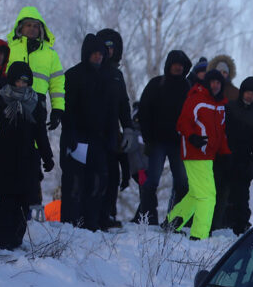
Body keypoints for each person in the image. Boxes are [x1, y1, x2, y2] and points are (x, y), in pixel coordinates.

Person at [60, 33, 125, 231]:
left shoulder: (108, 77)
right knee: (75, 184)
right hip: (77, 139)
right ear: (87, 53)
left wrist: (112, 136)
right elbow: (67, 108)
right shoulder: (73, 76)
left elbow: (113, 110)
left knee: (98, 182)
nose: (98, 57)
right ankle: (71, 223)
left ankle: (92, 222)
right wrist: (70, 134)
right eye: (95, 53)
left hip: (99, 140)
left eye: (101, 54)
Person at [0, 62, 53, 250]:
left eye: (25, 81)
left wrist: (47, 157)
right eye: (18, 81)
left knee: (24, 200)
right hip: (5, 157)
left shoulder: (35, 101)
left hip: (27, 158)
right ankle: (4, 239)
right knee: (7, 200)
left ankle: (17, 237)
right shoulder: (1, 99)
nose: (21, 85)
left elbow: (40, 132)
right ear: (12, 81)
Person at [165, 68, 229, 240]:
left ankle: (172, 223)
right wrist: (192, 137)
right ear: (207, 83)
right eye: (212, 82)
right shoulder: (197, 99)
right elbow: (182, 123)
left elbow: (221, 132)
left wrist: (225, 153)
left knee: (196, 193)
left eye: (218, 82)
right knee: (208, 195)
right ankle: (199, 235)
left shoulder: (220, 105)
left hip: (208, 155)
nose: (215, 85)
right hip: (195, 152)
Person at [134, 49, 192, 225]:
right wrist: (148, 138)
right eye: (175, 64)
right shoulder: (156, 84)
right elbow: (144, 111)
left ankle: (175, 219)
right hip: (157, 142)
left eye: (181, 65)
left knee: (182, 183)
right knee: (151, 181)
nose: (178, 68)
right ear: (169, 65)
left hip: (178, 143)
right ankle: (148, 218)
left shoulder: (187, 88)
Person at [215, 75, 253, 234]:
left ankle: (241, 231)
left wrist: (252, 166)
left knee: (241, 199)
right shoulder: (228, 108)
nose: (250, 96)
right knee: (216, 195)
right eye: (248, 92)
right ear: (242, 91)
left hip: (243, 163)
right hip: (222, 159)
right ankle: (211, 226)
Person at [96, 28, 136, 229]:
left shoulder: (117, 75)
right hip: (93, 132)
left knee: (113, 175)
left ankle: (108, 214)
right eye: (106, 47)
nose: (109, 51)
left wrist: (128, 127)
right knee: (98, 175)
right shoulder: (92, 70)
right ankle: (93, 215)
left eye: (112, 47)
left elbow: (124, 104)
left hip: (112, 132)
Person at [6, 6, 65, 130]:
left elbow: (57, 84)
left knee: (38, 139)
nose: (32, 28)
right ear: (21, 27)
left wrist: (58, 109)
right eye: (28, 25)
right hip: (12, 103)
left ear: (41, 29)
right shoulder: (10, 49)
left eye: (36, 26)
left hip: (38, 104)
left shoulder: (50, 54)